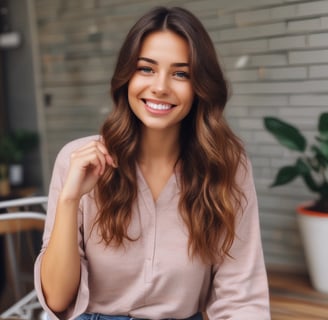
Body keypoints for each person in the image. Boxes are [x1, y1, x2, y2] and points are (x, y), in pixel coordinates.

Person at [34, 6, 271, 320]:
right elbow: (58, 299)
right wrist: (69, 198)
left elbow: (241, 297)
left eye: (180, 73)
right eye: (146, 69)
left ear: (200, 86)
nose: (160, 86)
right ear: (126, 76)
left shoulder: (226, 164)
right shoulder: (78, 160)